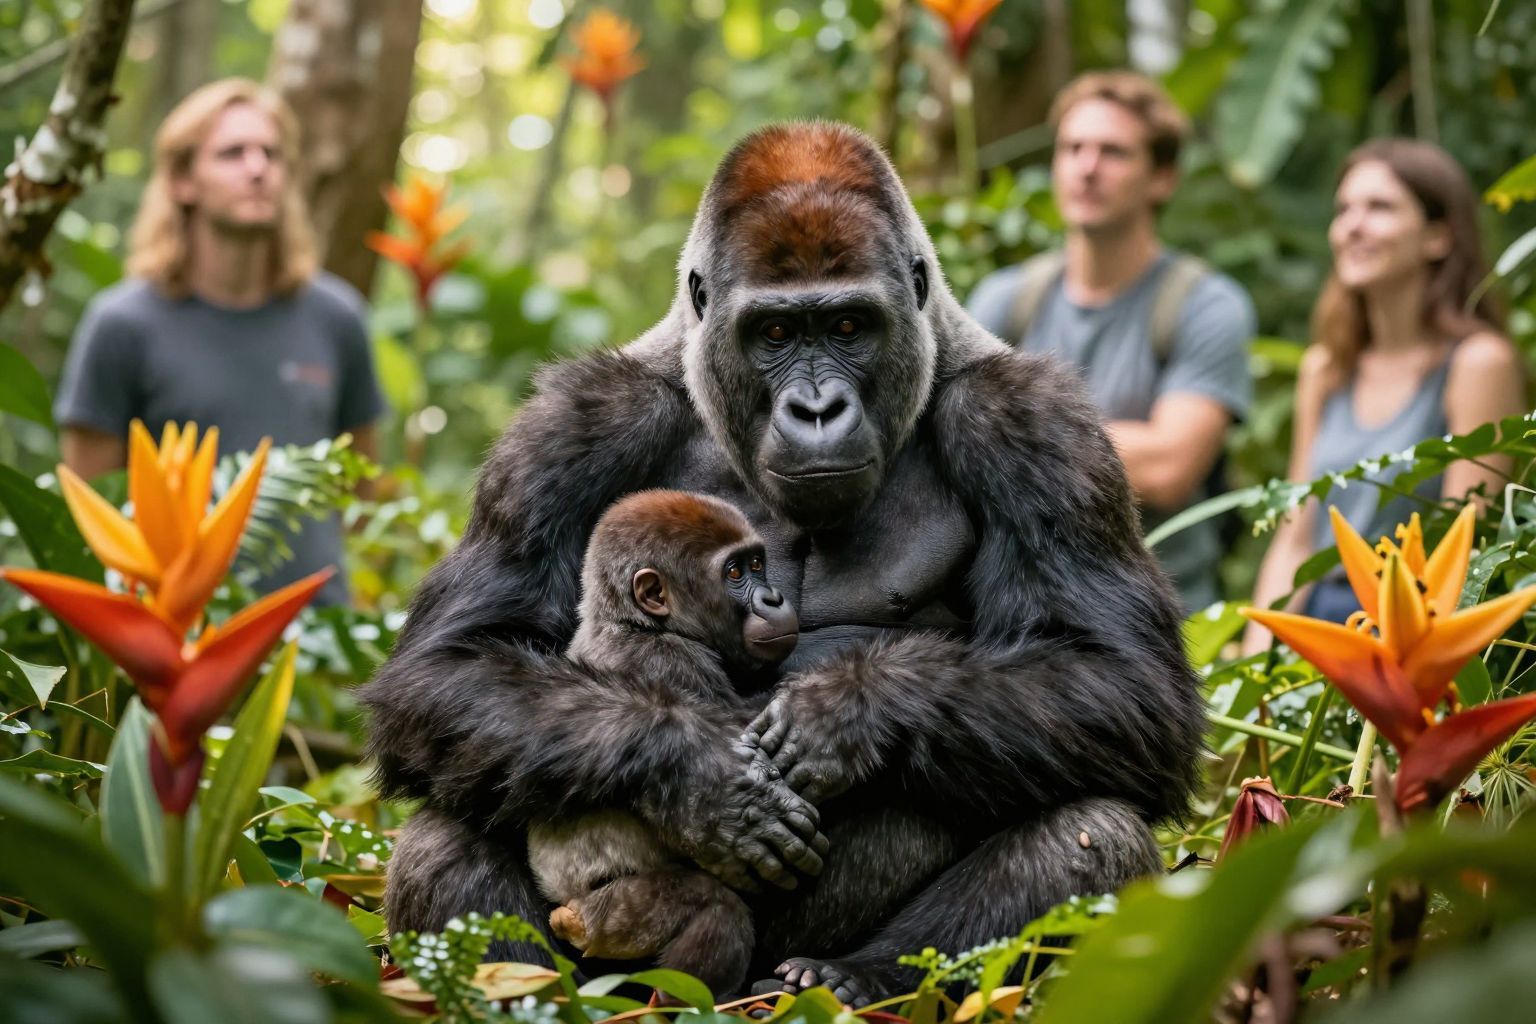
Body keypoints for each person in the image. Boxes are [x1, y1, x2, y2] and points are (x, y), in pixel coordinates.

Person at [53, 78, 386, 607]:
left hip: (319, 642)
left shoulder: (337, 317)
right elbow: (91, 510)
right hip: (176, 636)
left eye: (272, 155)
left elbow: (363, 490)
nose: (259, 169)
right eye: (233, 153)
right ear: (184, 181)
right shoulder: (122, 324)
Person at [968, 70, 1255, 613]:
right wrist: (1129, 442)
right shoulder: (1005, 299)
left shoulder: (1204, 305)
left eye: (1113, 152)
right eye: (1072, 147)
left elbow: (1170, 469)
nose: (1087, 167)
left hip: (1164, 621)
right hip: (1019, 612)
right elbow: (945, 451)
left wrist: (1005, 436)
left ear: (1162, 178)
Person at [1243, 139, 1526, 653]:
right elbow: (1295, 539)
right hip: (1316, 623)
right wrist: (1257, 659)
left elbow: (1468, 547)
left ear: (1438, 236)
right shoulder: (1326, 368)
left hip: (1412, 629)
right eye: (1344, 209)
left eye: (1379, 208)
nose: (1352, 225)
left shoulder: (1478, 362)